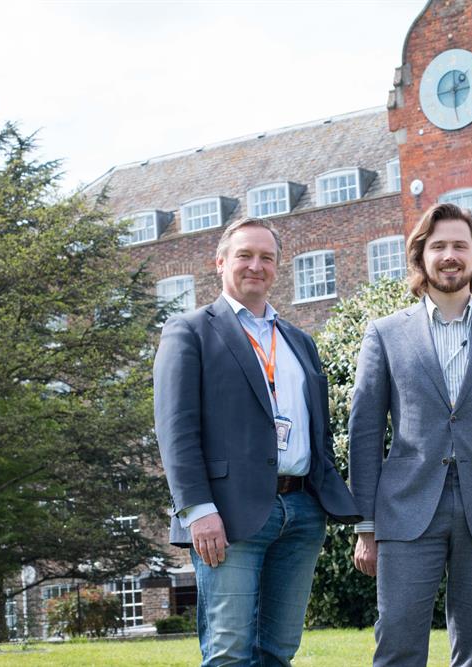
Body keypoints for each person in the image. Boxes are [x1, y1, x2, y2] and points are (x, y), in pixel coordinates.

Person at [153, 218, 360, 666]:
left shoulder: (300, 341)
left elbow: (316, 429)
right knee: (229, 651)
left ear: (277, 267)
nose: (255, 265)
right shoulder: (189, 331)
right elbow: (175, 429)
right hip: (226, 516)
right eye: (245, 255)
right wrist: (197, 511)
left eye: (266, 257)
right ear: (220, 262)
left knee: (279, 650)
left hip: (302, 512)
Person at [348, 203, 472, 667]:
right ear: (422, 256)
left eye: (460, 245)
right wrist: (365, 525)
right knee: (397, 643)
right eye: (438, 246)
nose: (450, 255)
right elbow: (364, 433)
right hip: (404, 509)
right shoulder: (384, 335)